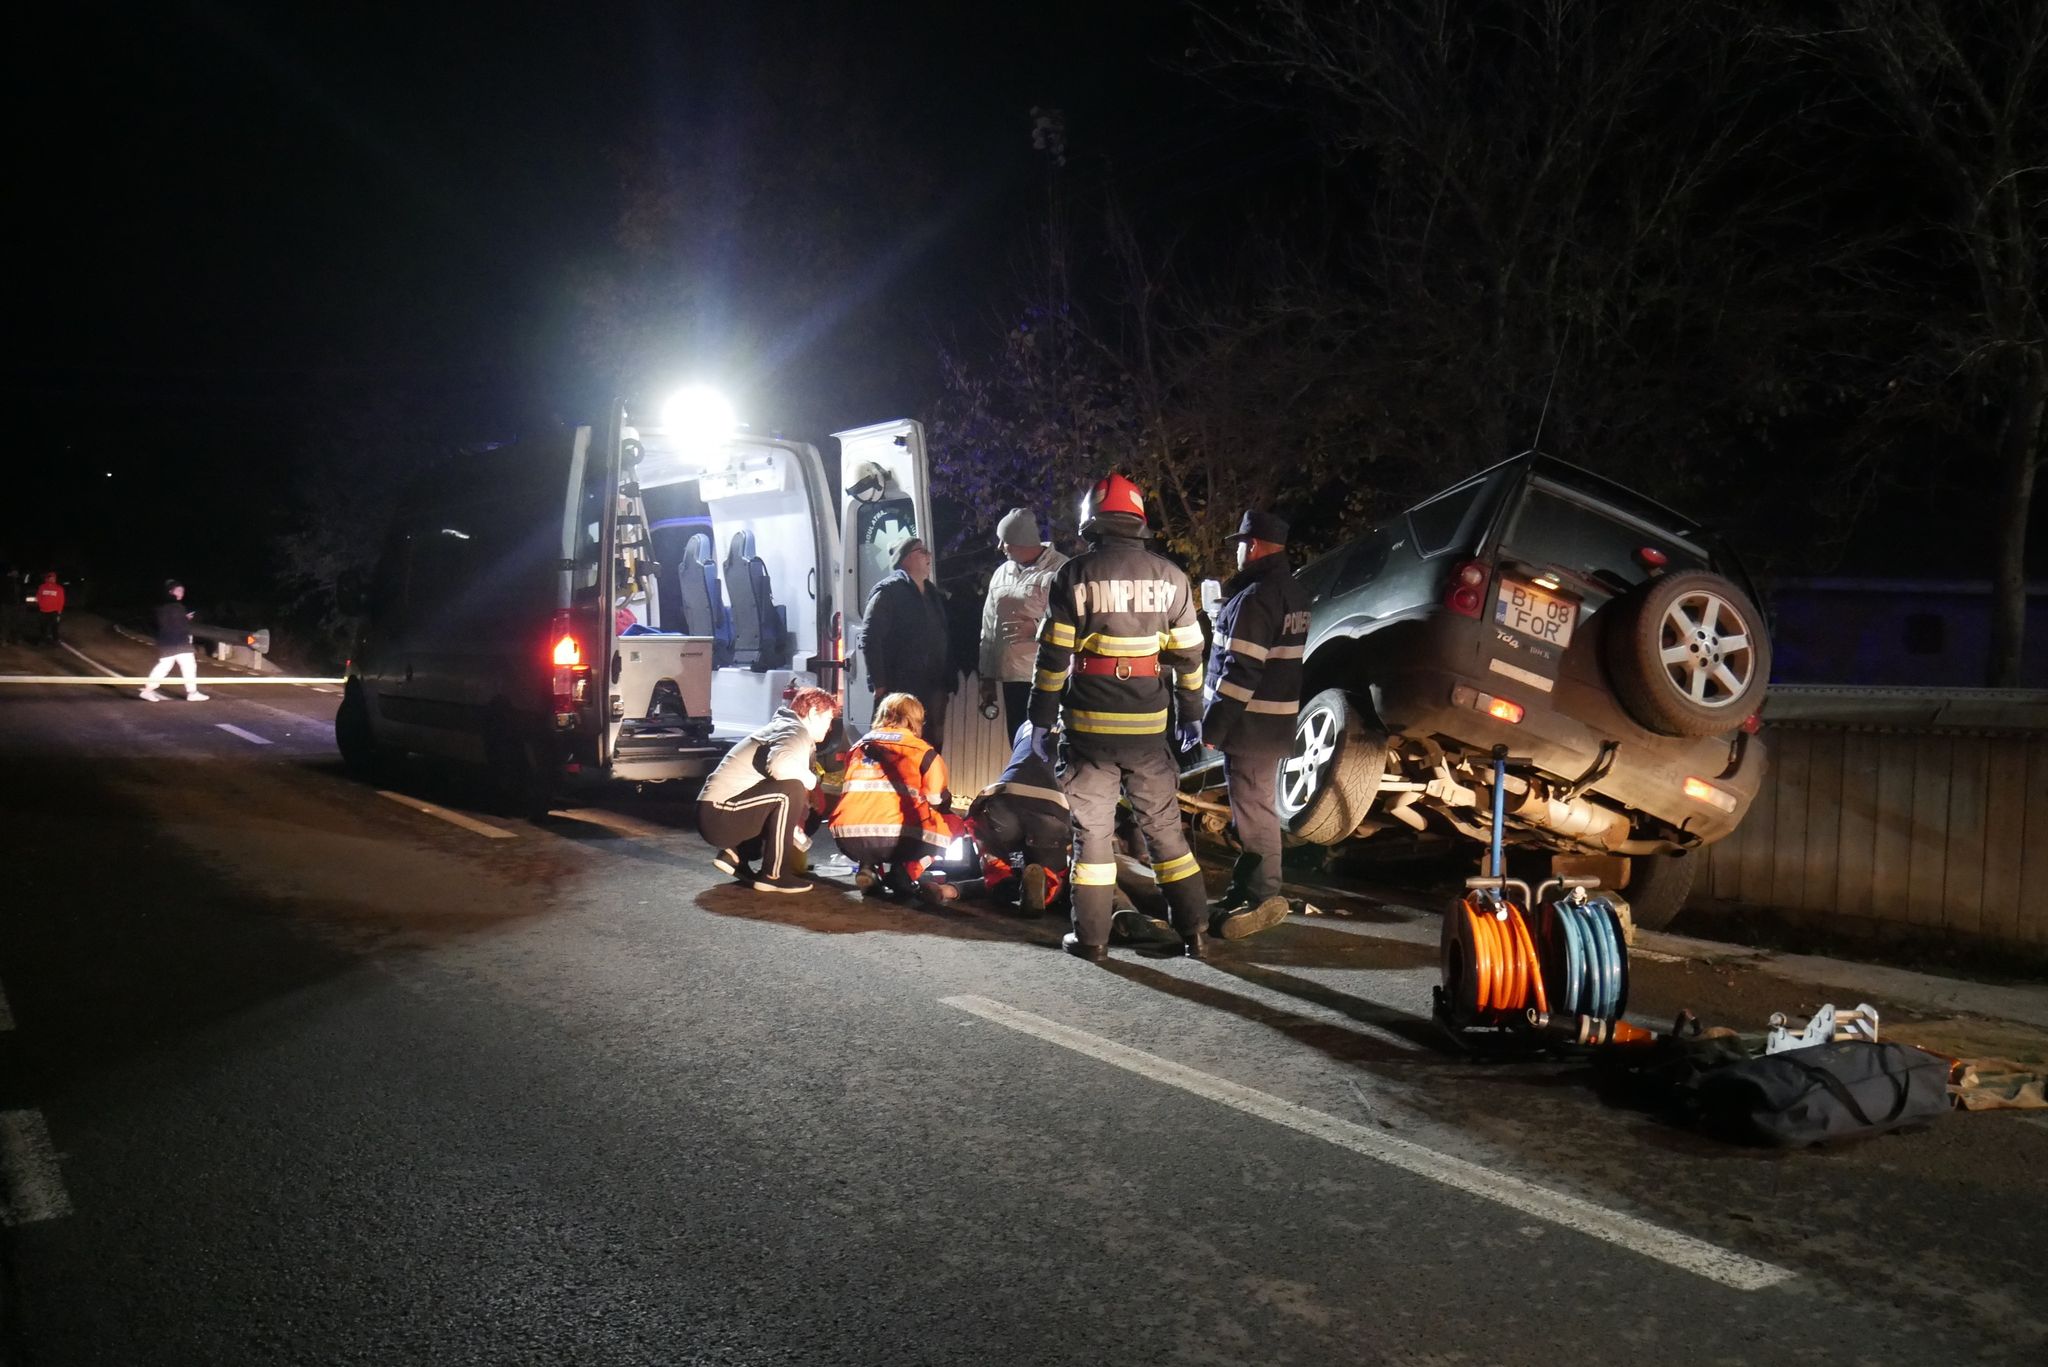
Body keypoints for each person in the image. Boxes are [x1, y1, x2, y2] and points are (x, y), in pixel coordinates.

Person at [1029, 472, 1212, 962]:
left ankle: (1091, 941)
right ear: (1139, 522)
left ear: (1093, 522)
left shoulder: (1074, 575)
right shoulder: (1172, 578)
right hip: (1149, 731)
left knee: (1093, 836)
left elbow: (1052, 660)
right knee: (1164, 830)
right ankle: (1195, 933)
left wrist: (1041, 719)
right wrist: (1191, 715)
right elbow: (1191, 659)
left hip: (1088, 730)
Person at [1202, 510, 1310, 939]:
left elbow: (1241, 670)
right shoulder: (1293, 592)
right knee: (1255, 810)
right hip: (1273, 723)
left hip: (1249, 726)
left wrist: (1214, 727)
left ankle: (1264, 895)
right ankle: (1249, 888)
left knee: (1254, 812)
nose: (1239, 552)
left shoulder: (1256, 596)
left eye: (1243, 543)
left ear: (1258, 545)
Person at [697, 685, 840, 894]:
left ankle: (737, 855)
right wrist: (811, 784)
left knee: (792, 793)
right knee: (791, 790)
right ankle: (774, 874)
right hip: (719, 816)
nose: (829, 728)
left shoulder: (784, 728)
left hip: (716, 813)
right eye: (828, 720)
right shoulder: (795, 731)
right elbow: (780, 766)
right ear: (811, 713)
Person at [828, 691, 961, 898]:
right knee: (953, 823)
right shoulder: (923, 752)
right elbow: (938, 800)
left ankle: (868, 867)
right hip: (897, 839)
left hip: (848, 838)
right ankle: (905, 872)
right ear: (916, 720)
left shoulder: (857, 747)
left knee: (873, 811)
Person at [977, 508, 1069, 737]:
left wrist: (1038, 629)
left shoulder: (1061, 570)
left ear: (1022, 542)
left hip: (1049, 677)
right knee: (1018, 742)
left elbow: (1075, 622)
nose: (999, 547)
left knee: (1050, 744)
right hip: (1013, 678)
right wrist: (987, 676)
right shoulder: (1001, 574)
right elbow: (989, 627)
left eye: (1005, 542)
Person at [861, 538, 953, 750]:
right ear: (906, 559)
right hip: (899, 688)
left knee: (929, 745)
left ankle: (926, 784)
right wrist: (879, 682)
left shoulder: (932, 594)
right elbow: (870, 637)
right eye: (922, 551)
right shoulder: (888, 592)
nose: (929, 556)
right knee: (894, 746)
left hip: (932, 686)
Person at [140, 579, 210, 703]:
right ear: (170, 591)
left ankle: (147, 690)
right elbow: (179, 625)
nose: (181, 593)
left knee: (164, 667)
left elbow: (165, 623)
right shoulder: (177, 607)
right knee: (188, 666)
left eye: (182, 591)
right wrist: (186, 619)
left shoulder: (161, 607)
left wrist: (183, 618)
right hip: (179, 642)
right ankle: (192, 693)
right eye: (178, 590)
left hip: (166, 641)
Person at [35, 571, 64, 646]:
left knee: (55, 627)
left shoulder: (59, 588)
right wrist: (41, 605)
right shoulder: (42, 587)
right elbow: (38, 597)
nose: (52, 579)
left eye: (54, 578)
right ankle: (42, 640)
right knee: (43, 627)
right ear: (47, 579)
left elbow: (61, 600)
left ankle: (56, 640)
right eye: (50, 578)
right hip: (43, 611)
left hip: (54, 611)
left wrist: (59, 611)